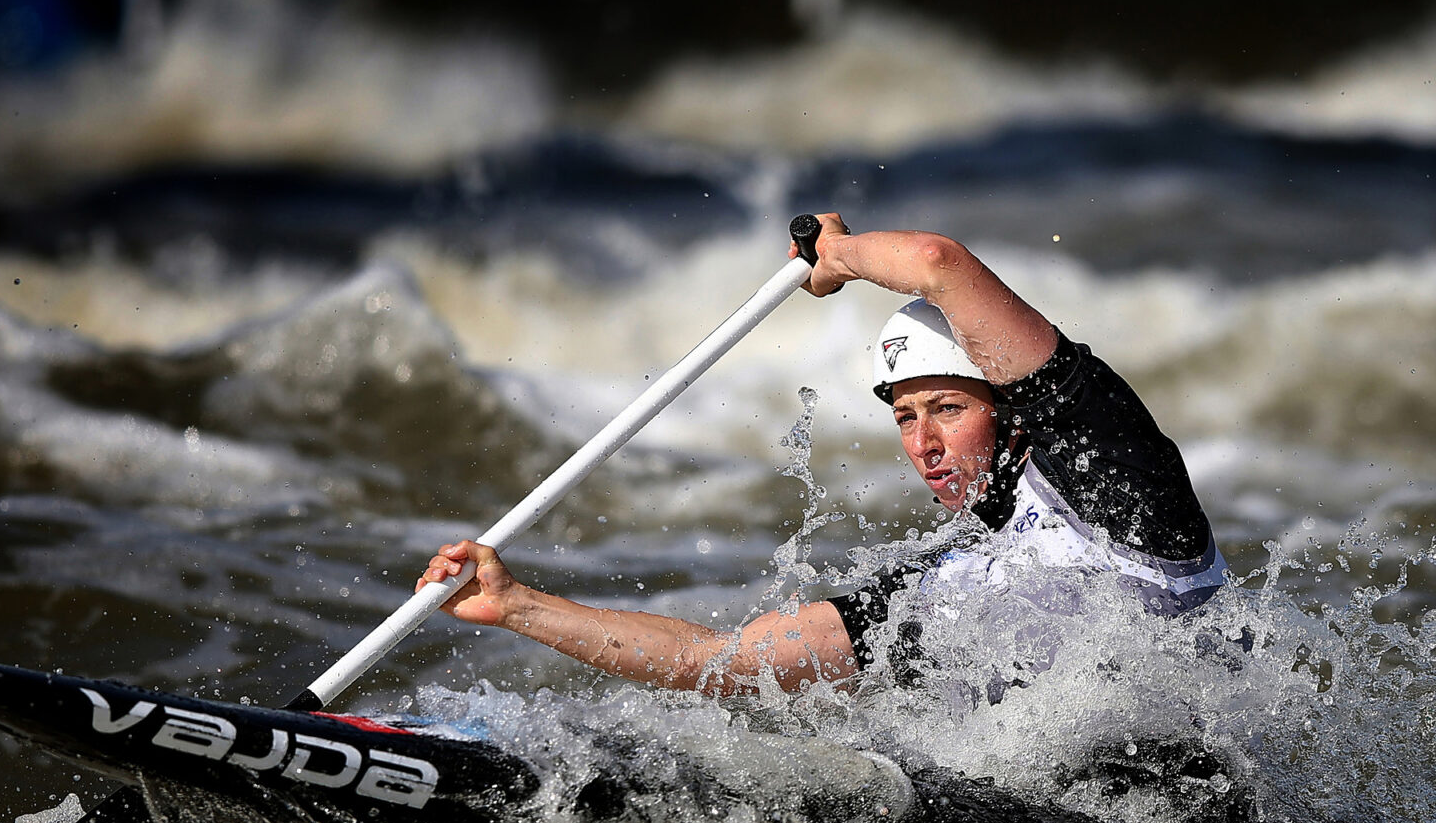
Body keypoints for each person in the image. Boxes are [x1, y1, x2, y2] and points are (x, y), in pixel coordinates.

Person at [417, 213, 1226, 697]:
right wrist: (517, 604)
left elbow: (940, 265)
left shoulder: (1117, 473)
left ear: (1012, 412)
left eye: (948, 408)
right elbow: (723, 664)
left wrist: (837, 255)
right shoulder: (945, 592)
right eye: (906, 417)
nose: (924, 444)